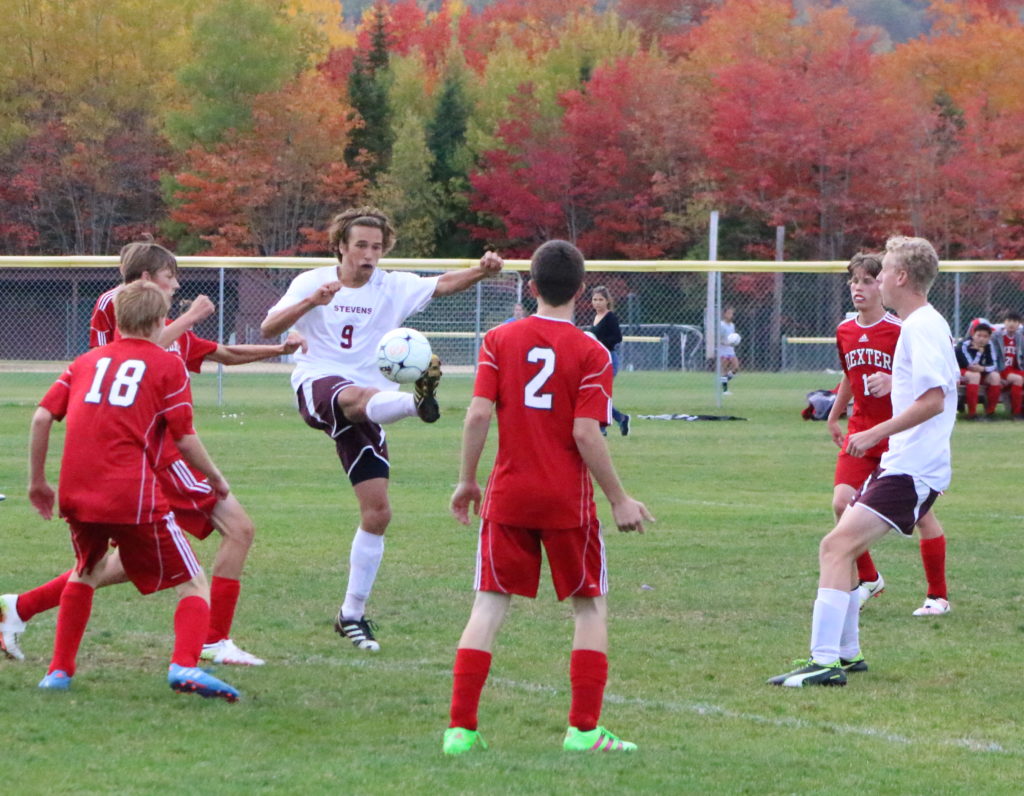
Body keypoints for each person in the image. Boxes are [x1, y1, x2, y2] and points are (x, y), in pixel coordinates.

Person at [1, 239, 305, 665]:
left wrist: (280, 350)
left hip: (161, 455)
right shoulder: (116, 303)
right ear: (145, 278)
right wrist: (190, 317)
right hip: (149, 457)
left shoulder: (163, 321)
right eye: (169, 276)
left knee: (128, 560)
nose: (176, 285)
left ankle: (20, 607)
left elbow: (222, 352)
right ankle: (212, 640)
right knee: (237, 529)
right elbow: (131, 350)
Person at [442, 240, 653, 755]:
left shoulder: (498, 338)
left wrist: (467, 480)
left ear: (531, 287)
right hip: (565, 500)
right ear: (580, 291)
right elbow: (585, 431)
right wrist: (619, 499)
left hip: (508, 494)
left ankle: (460, 731)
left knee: (489, 603)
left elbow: (477, 414)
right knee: (589, 607)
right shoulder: (592, 351)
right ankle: (583, 730)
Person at [260, 206, 503, 651]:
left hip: (371, 406)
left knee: (378, 513)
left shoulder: (392, 286)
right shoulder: (312, 281)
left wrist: (482, 271)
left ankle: (351, 615)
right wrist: (312, 303)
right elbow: (268, 327)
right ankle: (414, 403)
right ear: (341, 246)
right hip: (320, 385)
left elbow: (442, 284)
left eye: (377, 247)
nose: (369, 254)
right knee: (354, 396)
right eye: (361, 245)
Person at [27, 281, 239, 700]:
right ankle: (184, 665)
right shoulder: (167, 365)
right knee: (193, 582)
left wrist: (37, 482)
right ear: (161, 320)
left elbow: (40, 418)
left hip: (76, 491)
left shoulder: (85, 361)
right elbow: (184, 438)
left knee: (85, 571)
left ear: (118, 319)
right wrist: (215, 478)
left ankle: (58, 672)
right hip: (132, 494)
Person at [770, 236, 958, 687]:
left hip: (912, 467)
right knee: (842, 544)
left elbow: (934, 399)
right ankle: (846, 654)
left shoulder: (919, 326)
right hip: (903, 462)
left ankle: (824, 662)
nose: (877, 278)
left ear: (901, 277)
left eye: (884, 269)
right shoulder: (923, 323)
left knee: (834, 548)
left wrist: (875, 432)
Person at [826, 253, 951, 618]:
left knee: (921, 517)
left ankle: (938, 595)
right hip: (862, 433)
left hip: (899, 438)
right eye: (855, 280)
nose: (862, 287)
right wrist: (834, 414)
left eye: (870, 279)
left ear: (897, 279)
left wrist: (893, 381)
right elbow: (850, 376)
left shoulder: (907, 327)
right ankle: (868, 580)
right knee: (841, 507)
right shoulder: (846, 330)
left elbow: (932, 388)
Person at [587, 286, 630, 436]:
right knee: (596, 394)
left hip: (609, 359)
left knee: (600, 394)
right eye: (595, 299)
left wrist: (599, 342)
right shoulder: (595, 317)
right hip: (597, 359)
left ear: (607, 301)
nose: (597, 303)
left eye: (601, 299)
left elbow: (617, 338)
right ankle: (620, 418)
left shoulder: (610, 317)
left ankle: (603, 428)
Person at [955, 321, 1003, 420]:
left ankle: (990, 413)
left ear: (989, 337)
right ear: (973, 335)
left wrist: (983, 368)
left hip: (980, 371)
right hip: (962, 373)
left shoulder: (989, 345)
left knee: (995, 377)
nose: (981, 339)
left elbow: (993, 364)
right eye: (979, 335)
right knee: (975, 375)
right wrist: (979, 352)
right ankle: (972, 414)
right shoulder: (963, 345)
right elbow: (970, 365)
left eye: (985, 336)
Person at [995, 311, 1024, 417]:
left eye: (1015, 321)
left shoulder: (1019, 337)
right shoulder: (996, 336)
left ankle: (1020, 409)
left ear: (1019, 324)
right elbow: (994, 356)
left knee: (1019, 378)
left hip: (1015, 369)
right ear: (1004, 322)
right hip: (1002, 369)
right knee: (1018, 379)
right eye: (1009, 321)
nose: (1012, 324)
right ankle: (1016, 413)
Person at [718, 306, 740, 394]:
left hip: (730, 350)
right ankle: (725, 390)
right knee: (725, 370)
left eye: (732, 313)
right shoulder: (721, 325)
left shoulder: (732, 325)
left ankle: (723, 380)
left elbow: (732, 337)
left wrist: (734, 342)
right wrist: (726, 343)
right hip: (723, 350)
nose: (731, 315)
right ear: (724, 314)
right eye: (729, 313)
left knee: (736, 367)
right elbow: (718, 339)